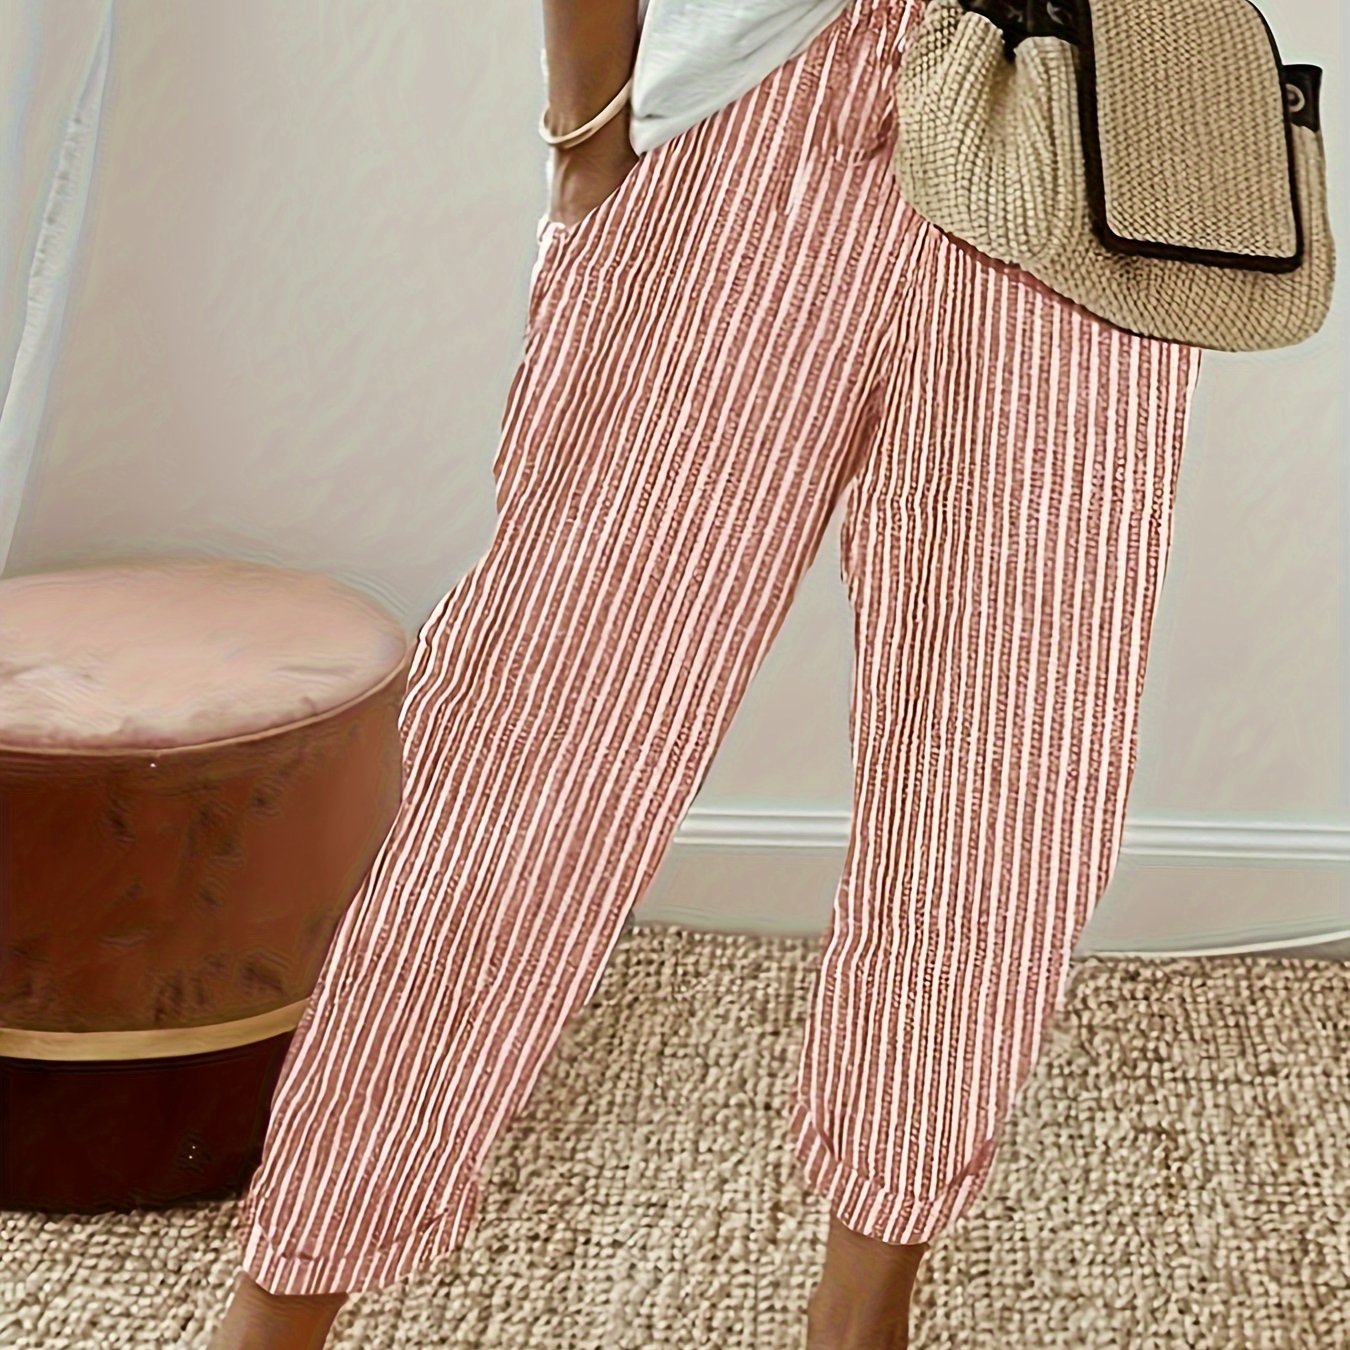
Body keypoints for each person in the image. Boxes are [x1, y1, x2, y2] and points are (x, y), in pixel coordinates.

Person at [208, 0, 1201, 1345]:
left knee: (1008, 772)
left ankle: (865, 1307)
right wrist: (587, 127)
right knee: (536, 742)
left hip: (1076, 134)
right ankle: (287, 1292)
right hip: (761, 116)